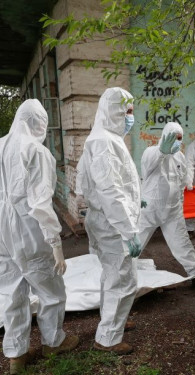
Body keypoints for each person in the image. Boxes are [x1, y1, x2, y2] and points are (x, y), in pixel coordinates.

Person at [0, 99, 78, 374]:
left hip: (0, 235)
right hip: (31, 233)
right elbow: (40, 204)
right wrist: (55, 243)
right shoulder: (36, 151)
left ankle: (16, 355)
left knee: (12, 294)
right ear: (37, 123)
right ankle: (53, 342)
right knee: (51, 291)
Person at [75, 87, 142, 355]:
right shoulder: (104, 142)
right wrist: (128, 230)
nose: (130, 118)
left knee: (112, 275)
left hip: (105, 220)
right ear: (114, 111)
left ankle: (112, 321)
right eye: (127, 112)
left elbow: (88, 182)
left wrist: (138, 201)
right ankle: (108, 338)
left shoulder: (101, 138)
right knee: (124, 280)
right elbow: (110, 191)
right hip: (112, 224)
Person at [137, 122, 195, 288]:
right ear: (165, 137)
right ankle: (119, 272)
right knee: (137, 240)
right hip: (150, 208)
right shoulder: (151, 152)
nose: (178, 142)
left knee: (182, 242)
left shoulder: (180, 157)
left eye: (180, 138)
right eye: (174, 138)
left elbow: (180, 182)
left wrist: (180, 203)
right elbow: (147, 168)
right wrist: (161, 152)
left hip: (172, 210)